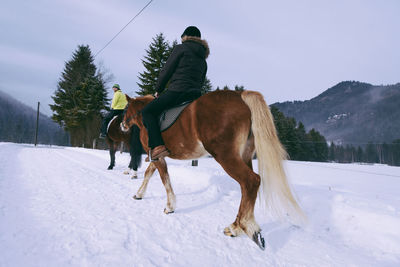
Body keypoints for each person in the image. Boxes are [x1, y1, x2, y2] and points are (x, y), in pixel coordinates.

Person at [141, 26, 210, 161]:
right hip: (195, 95)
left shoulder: (181, 48)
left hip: (178, 91)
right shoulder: (203, 59)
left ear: (185, 37)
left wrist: (158, 90)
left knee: (147, 112)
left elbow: (167, 70)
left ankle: (157, 147)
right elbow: (201, 81)